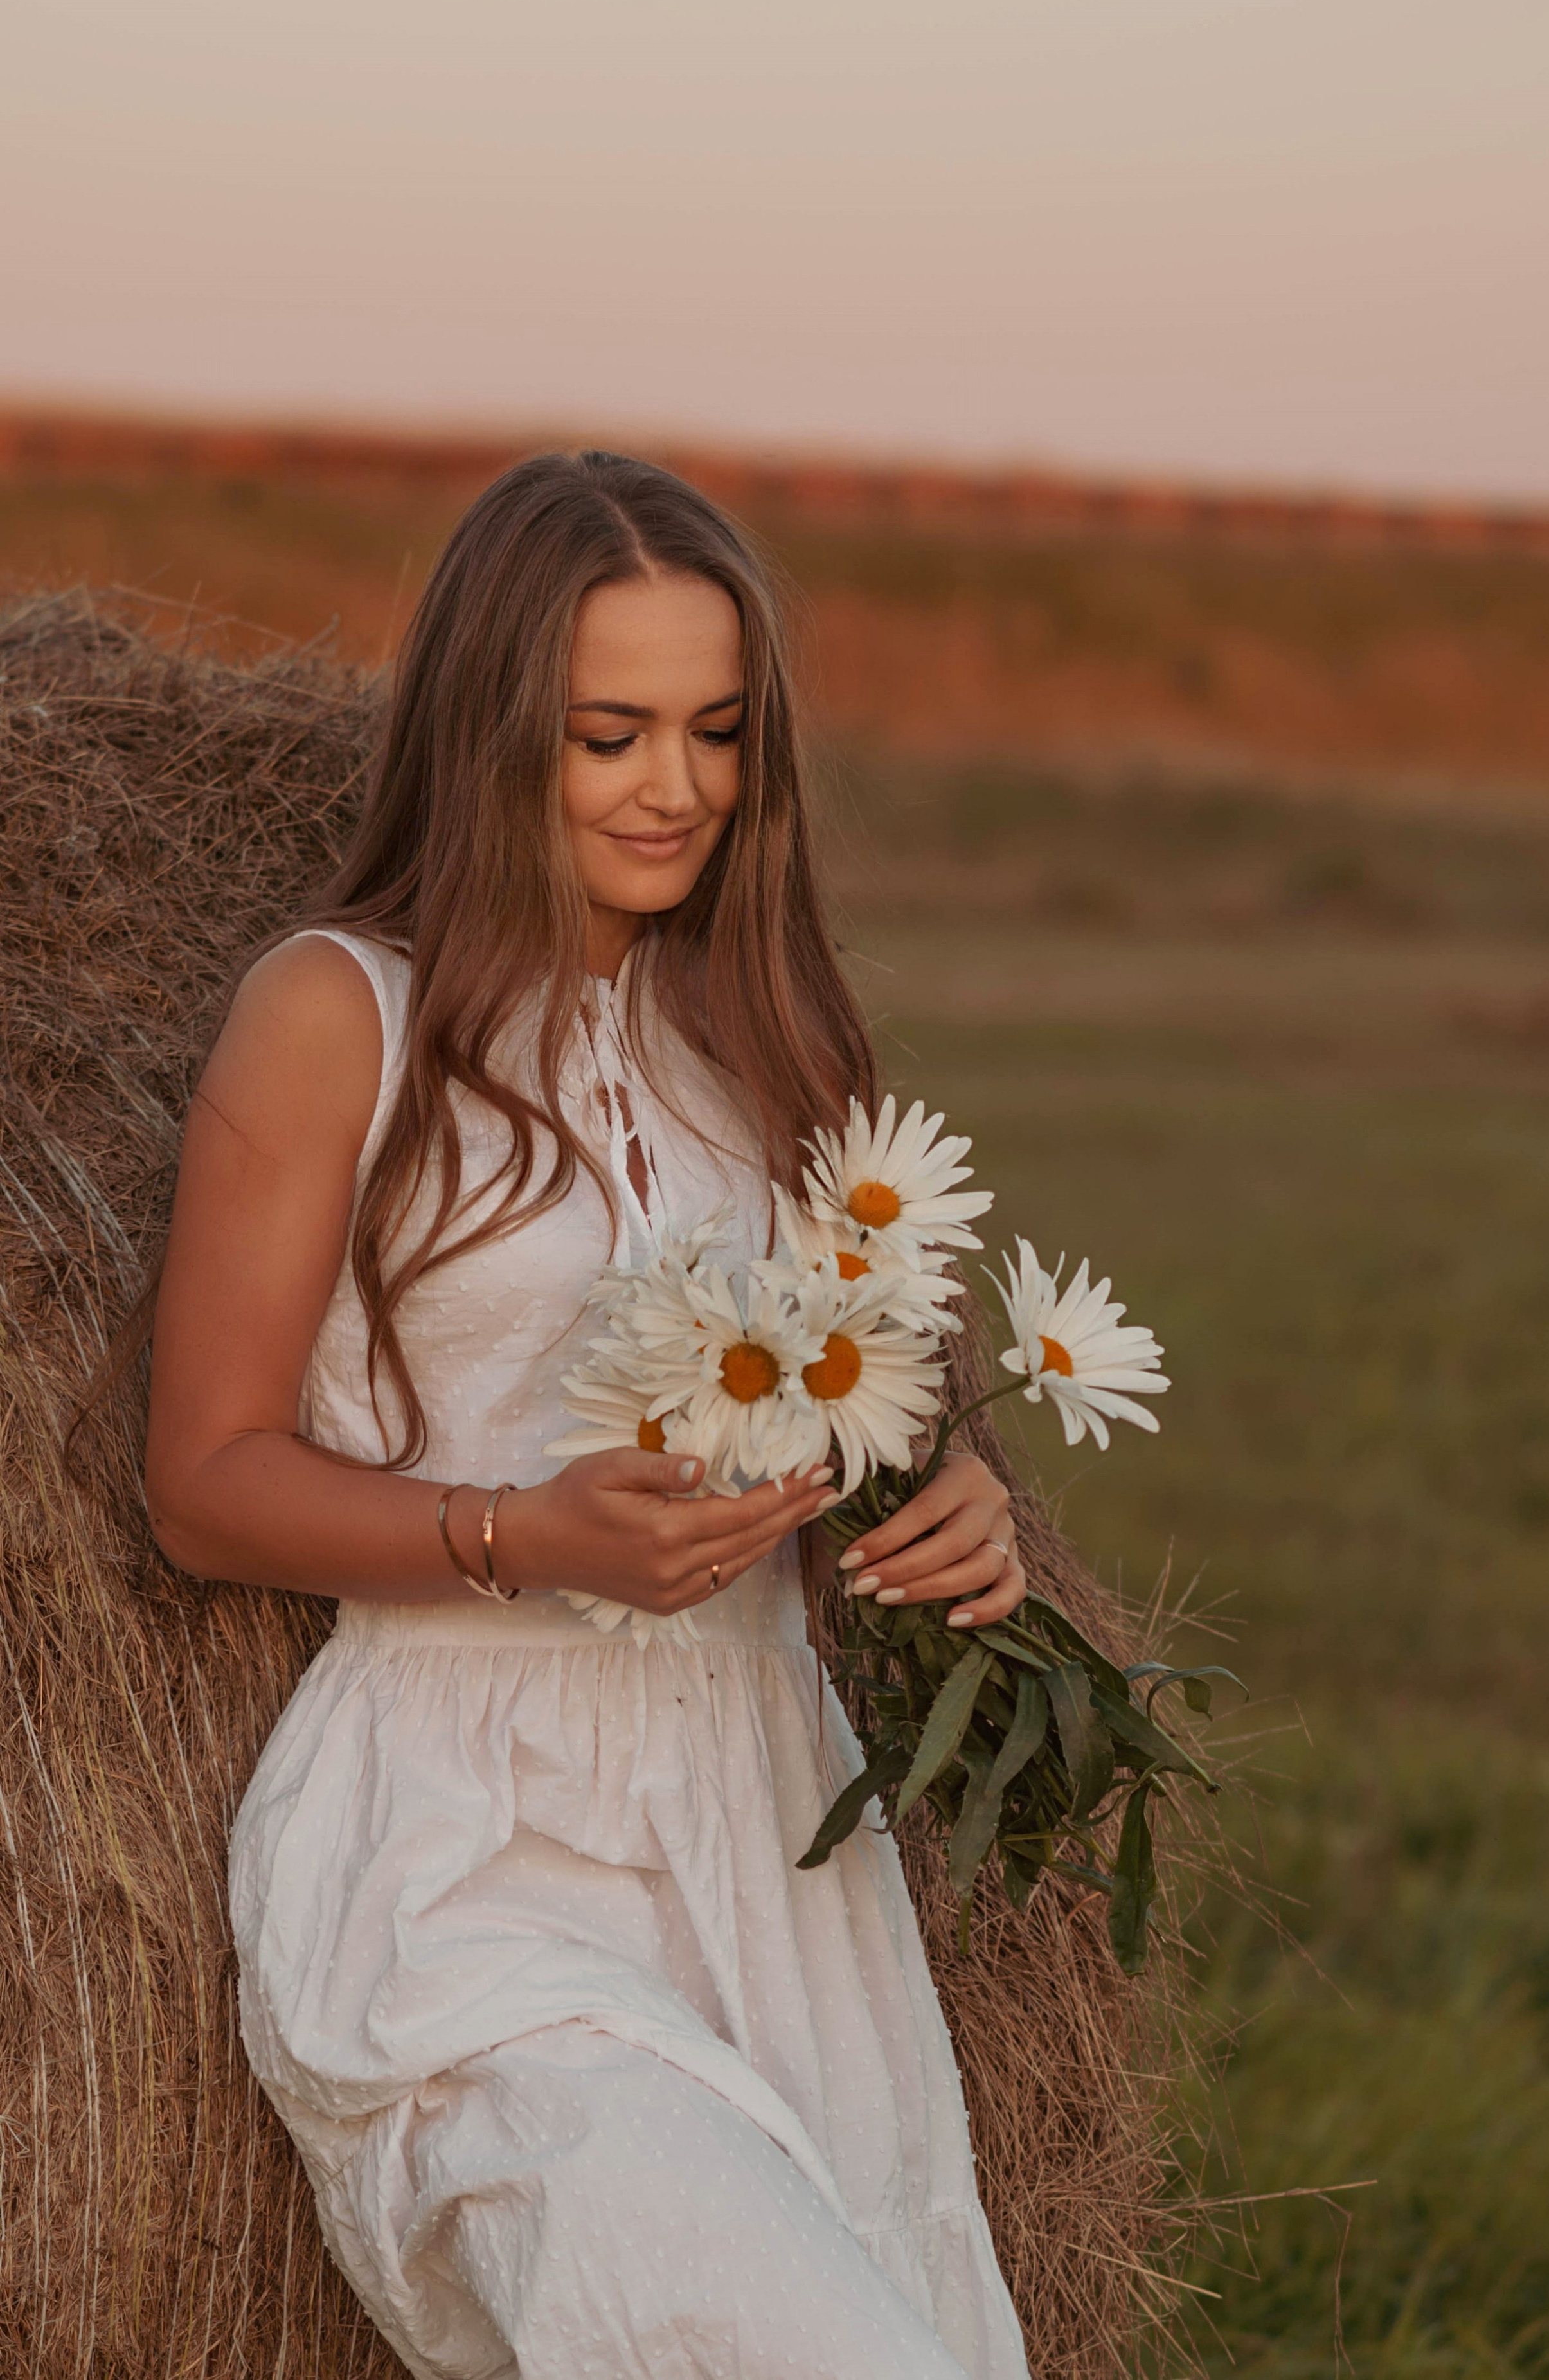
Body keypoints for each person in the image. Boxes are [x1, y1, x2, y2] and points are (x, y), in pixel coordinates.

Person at [144, 451, 1033, 2380]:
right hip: (462, 1838)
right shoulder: (340, 1013)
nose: (675, 786)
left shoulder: (772, 1037)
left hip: (769, 1836)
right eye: (608, 734)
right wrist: (520, 1535)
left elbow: (839, 1412)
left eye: (718, 730)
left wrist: (946, 1495)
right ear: (489, 732)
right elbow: (202, 1479)